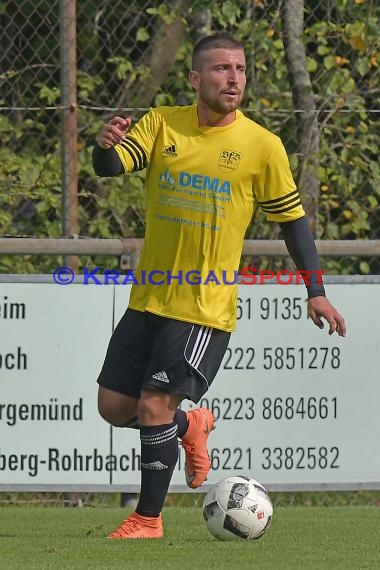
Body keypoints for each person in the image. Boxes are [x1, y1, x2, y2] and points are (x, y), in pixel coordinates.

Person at [92, 32, 346, 539]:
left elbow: (292, 222)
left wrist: (314, 288)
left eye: (240, 69)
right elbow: (112, 168)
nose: (233, 78)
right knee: (115, 408)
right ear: (195, 78)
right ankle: (193, 427)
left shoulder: (261, 146)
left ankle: (147, 519)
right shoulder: (163, 123)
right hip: (150, 298)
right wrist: (105, 148)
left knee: (154, 405)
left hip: (203, 308)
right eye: (221, 69)